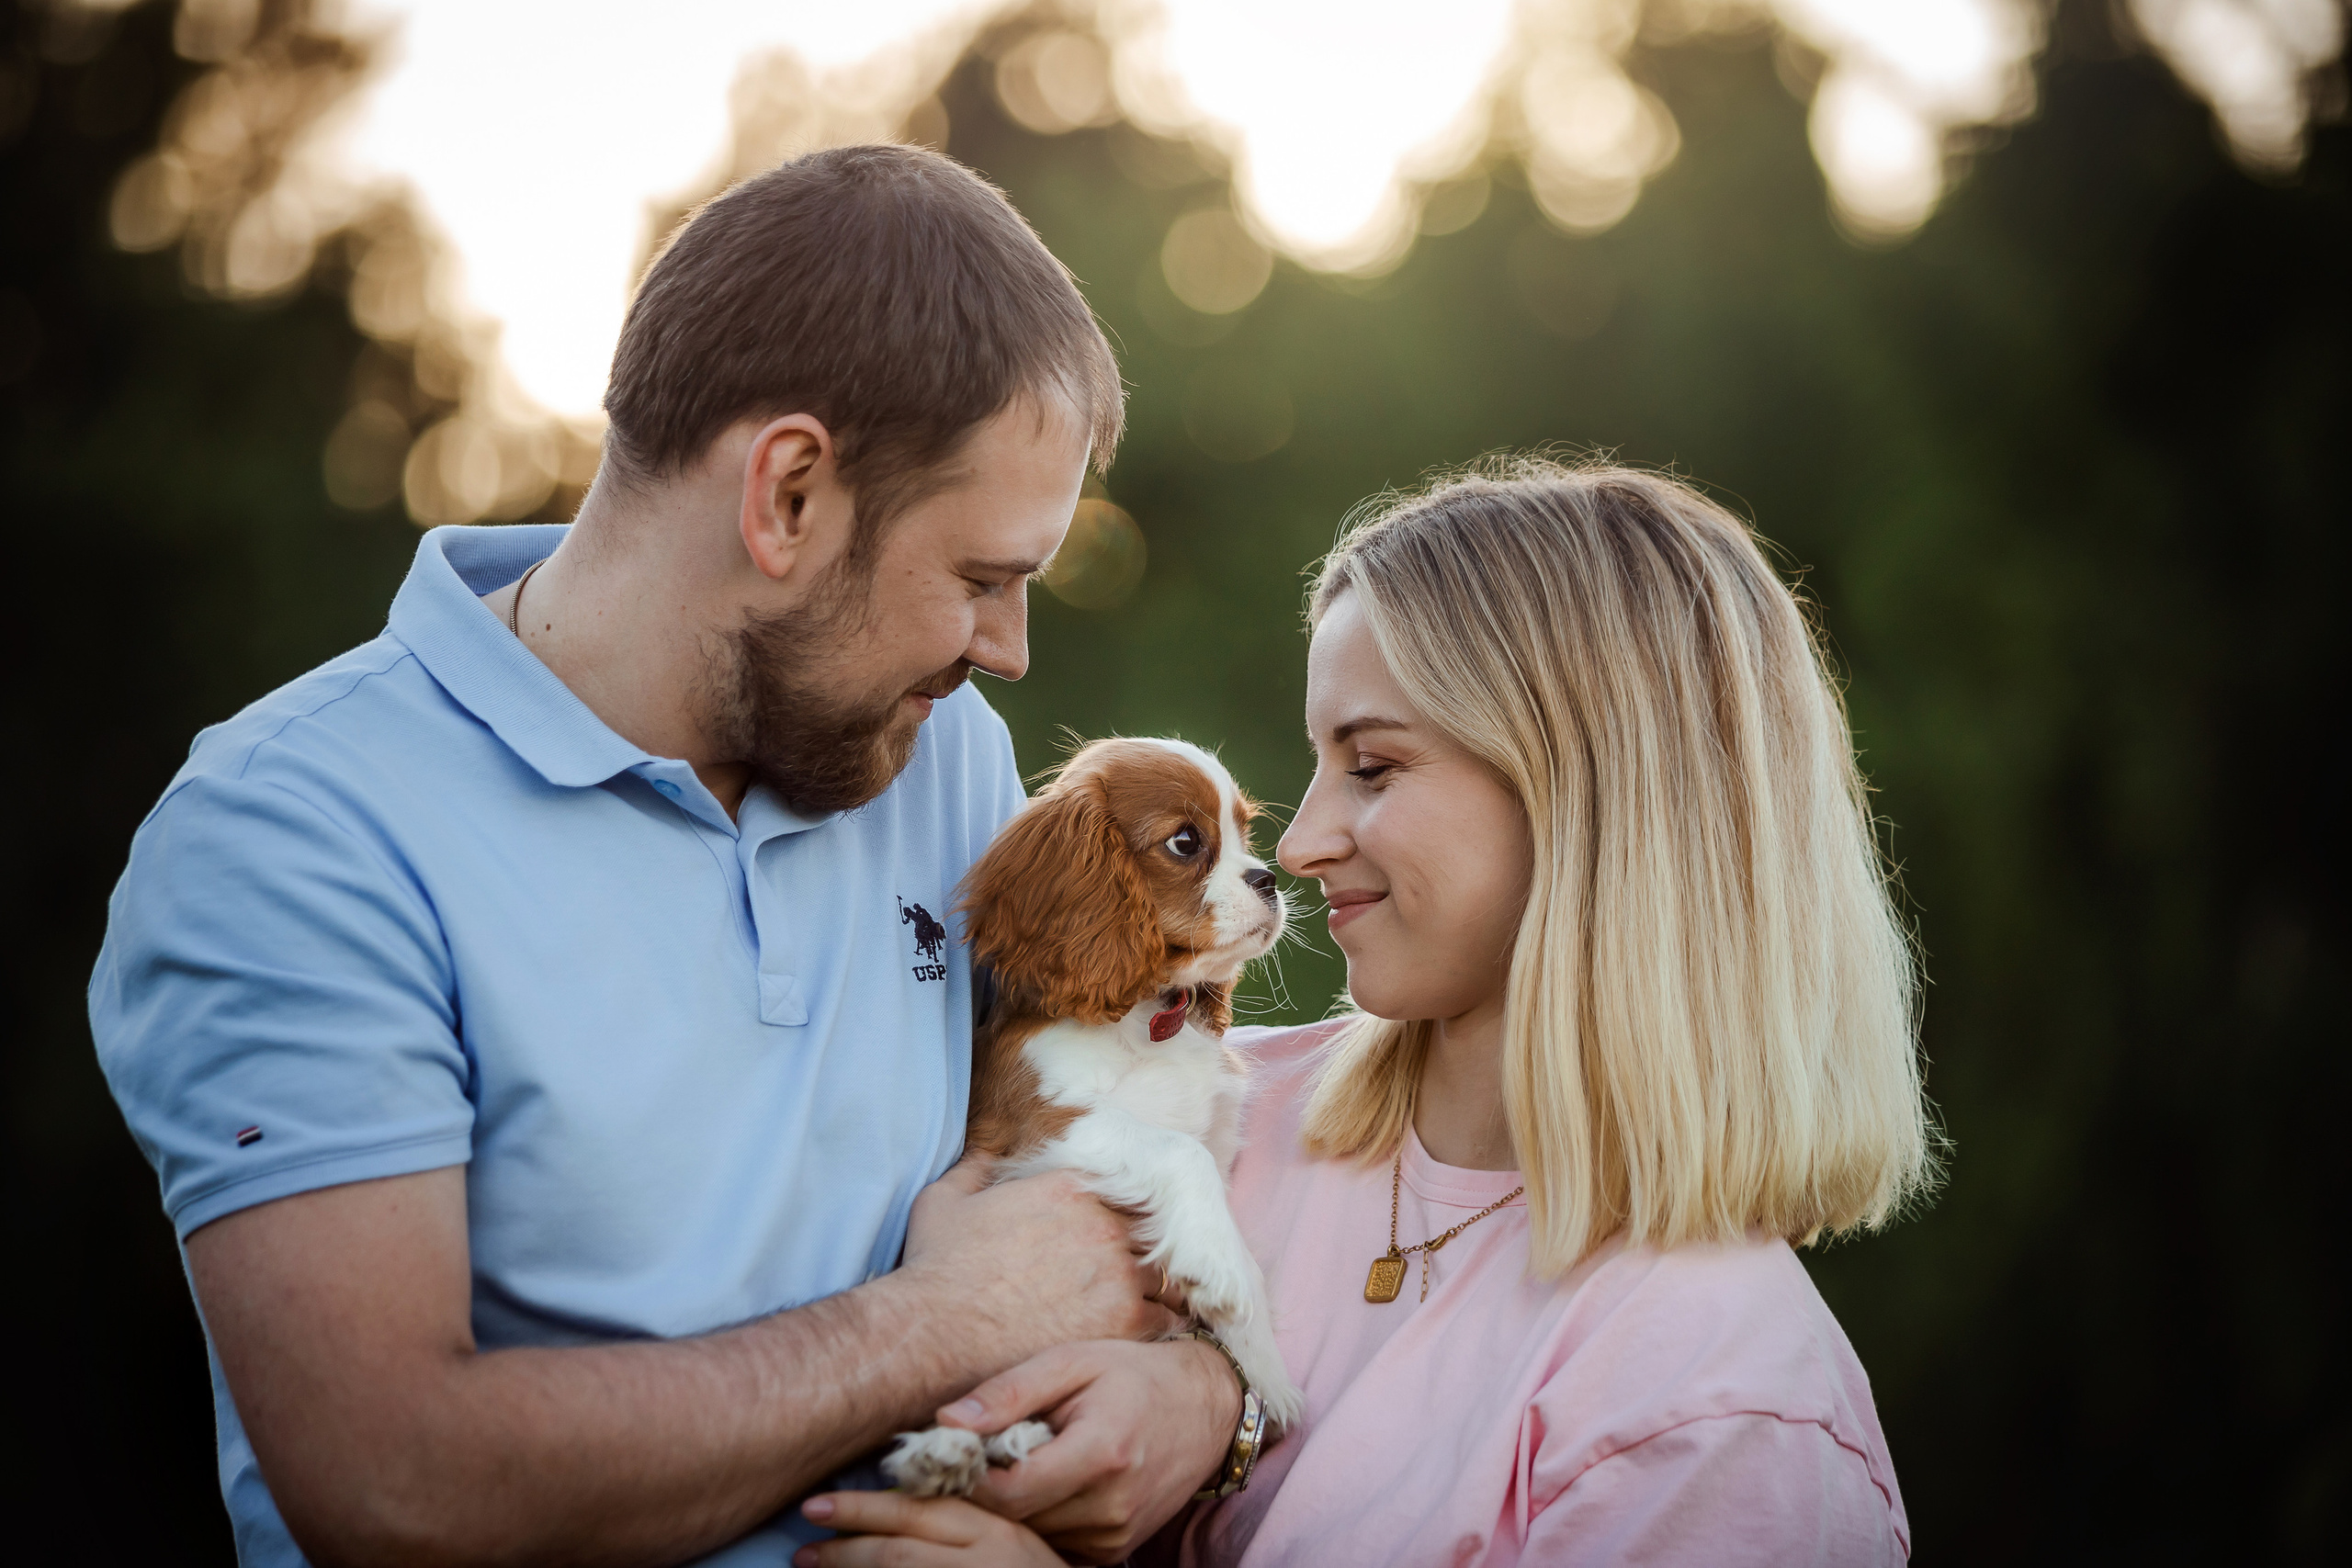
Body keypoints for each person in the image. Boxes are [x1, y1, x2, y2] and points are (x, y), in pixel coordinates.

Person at [89, 145, 1253, 1568]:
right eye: (980, 579)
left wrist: (1199, 1396)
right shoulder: (293, 831)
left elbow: (1071, 1159)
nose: (1009, 651)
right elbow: (396, 1485)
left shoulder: (944, 759)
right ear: (787, 496)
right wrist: (946, 1321)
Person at [797, 458, 1932, 1566]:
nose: (1296, 845)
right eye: (1316, 765)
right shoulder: (1214, 1095)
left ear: (1590, 799)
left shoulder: (1726, 1412)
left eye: (1374, 768)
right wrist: (1210, 1396)